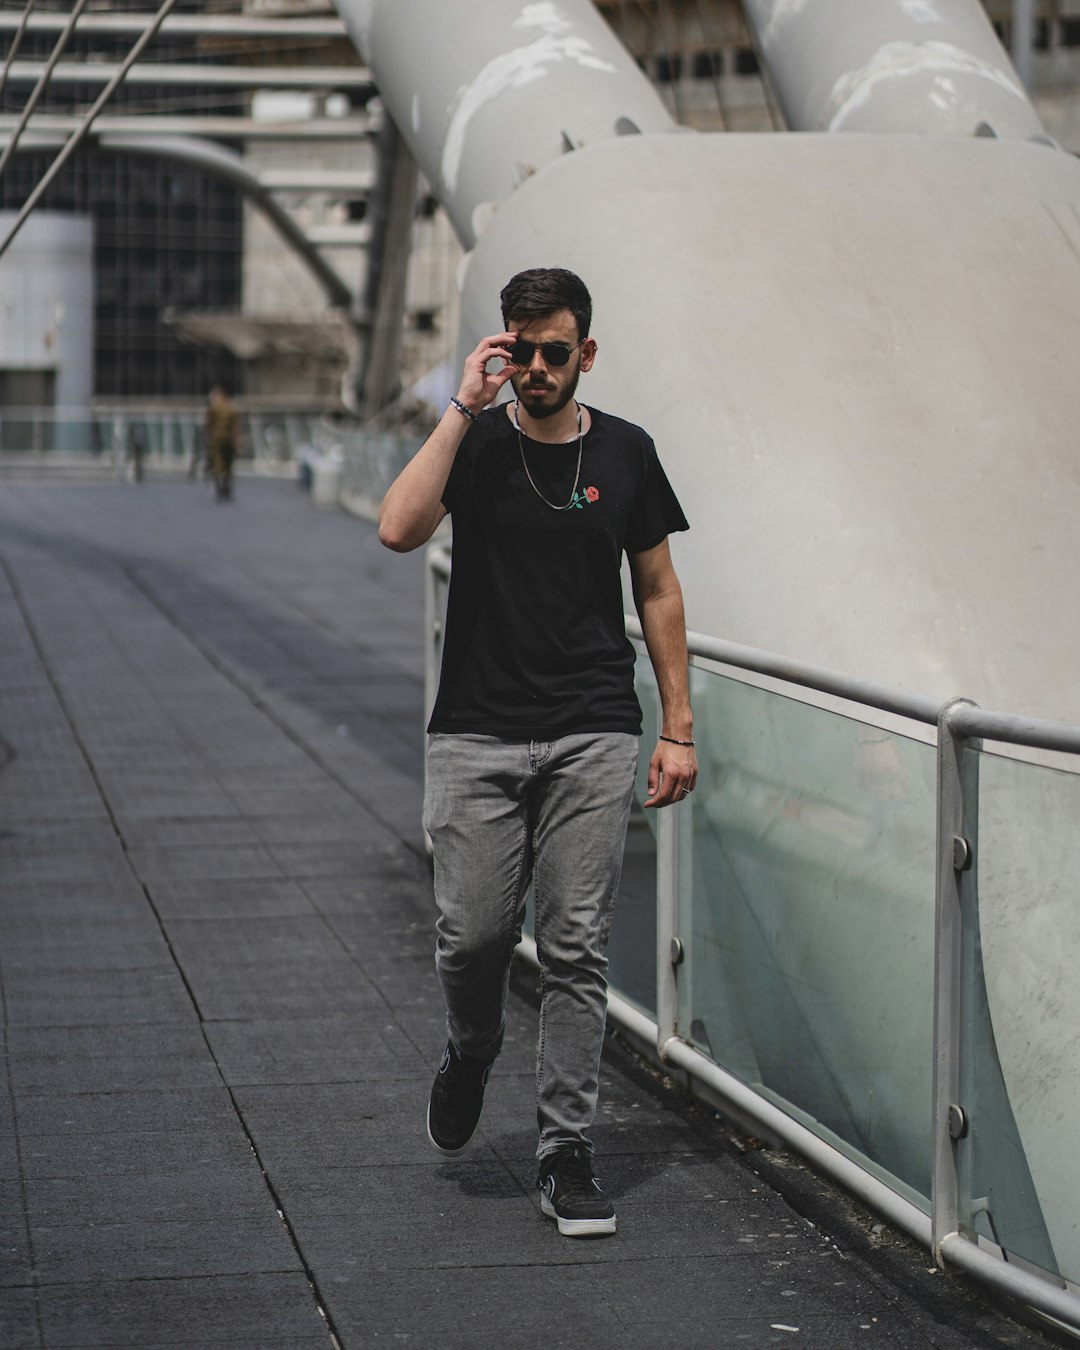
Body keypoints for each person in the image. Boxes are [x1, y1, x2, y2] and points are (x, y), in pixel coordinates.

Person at [378, 267, 697, 1238]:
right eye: (522, 350)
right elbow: (397, 529)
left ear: (585, 354)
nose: (539, 368)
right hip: (475, 727)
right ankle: (473, 1049)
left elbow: (659, 592)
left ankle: (566, 1149)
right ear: (502, 349)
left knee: (576, 945)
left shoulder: (630, 454)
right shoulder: (473, 444)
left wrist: (677, 725)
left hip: (593, 728)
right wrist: (460, 409)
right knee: (471, 936)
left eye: (556, 351)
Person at [204, 386, 238, 500]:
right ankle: (226, 487)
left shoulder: (213, 408)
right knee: (228, 464)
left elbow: (208, 424)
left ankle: (219, 488)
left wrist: (207, 437)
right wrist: (236, 440)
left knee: (217, 463)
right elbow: (235, 426)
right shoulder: (230, 408)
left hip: (216, 440)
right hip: (228, 439)